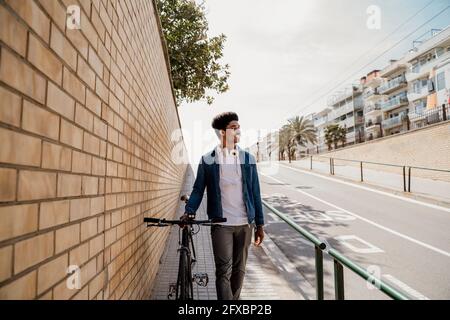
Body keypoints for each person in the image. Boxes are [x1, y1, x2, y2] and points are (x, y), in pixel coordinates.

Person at [181, 111, 265, 300]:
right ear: (222, 132)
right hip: (221, 224)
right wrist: (189, 211)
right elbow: (197, 189)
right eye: (233, 127)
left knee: (239, 271)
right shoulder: (208, 159)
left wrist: (260, 224)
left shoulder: (248, 159)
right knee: (223, 271)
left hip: (245, 223)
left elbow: (256, 193)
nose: (238, 131)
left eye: (239, 127)